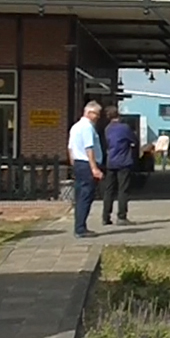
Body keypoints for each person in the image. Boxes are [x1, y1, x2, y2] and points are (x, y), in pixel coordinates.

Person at [68, 101, 103, 238]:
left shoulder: (75, 127)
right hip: (87, 164)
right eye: (96, 114)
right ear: (89, 113)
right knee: (86, 196)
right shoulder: (87, 127)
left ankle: (79, 225)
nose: (98, 118)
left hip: (78, 163)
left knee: (79, 196)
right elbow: (89, 148)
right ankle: (80, 228)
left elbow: (70, 148)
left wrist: (73, 163)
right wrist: (94, 168)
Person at [102, 106, 136, 226]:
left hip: (111, 161)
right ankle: (121, 216)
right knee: (123, 190)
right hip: (123, 161)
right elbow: (133, 140)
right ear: (118, 115)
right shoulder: (124, 128)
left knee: (109, 190)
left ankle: (105, 216)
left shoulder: (107, 129)